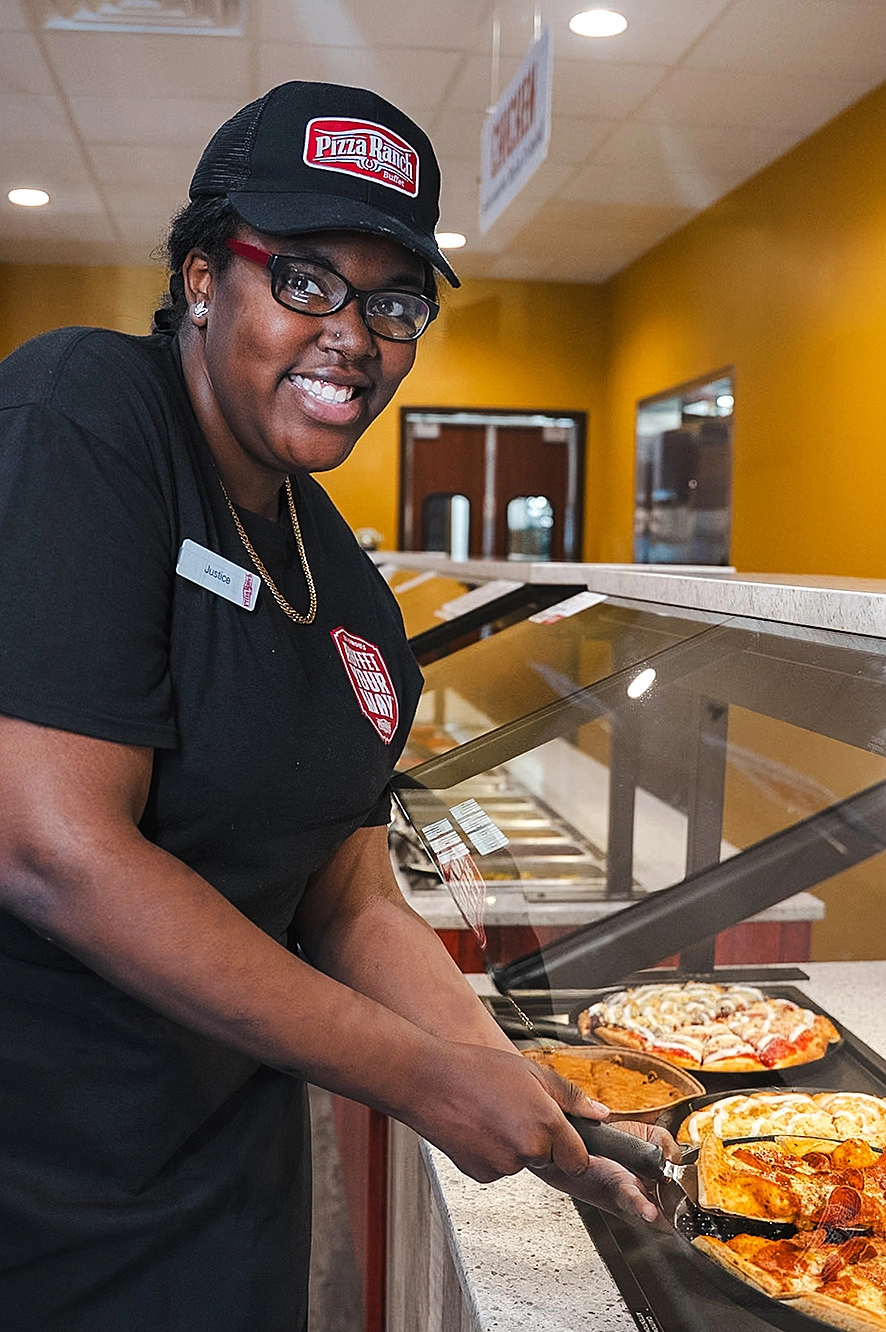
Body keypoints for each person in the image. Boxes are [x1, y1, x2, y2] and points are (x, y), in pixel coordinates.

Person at [0, 81, 674, 1331]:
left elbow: (347, 893)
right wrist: (422, 1077)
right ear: (204, 276)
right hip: (35, 1178)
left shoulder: (350, 585)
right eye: (304, 280)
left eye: (393, 303)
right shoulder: (88, 412)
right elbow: (55, 850)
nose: (353, 335)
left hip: (225, 1163)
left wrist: (497, 1069)